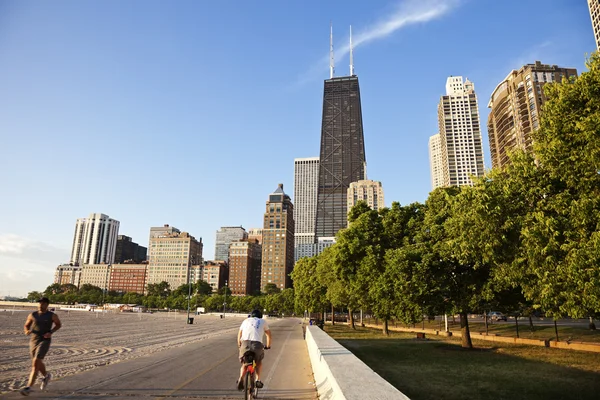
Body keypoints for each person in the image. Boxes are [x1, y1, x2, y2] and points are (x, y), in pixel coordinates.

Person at [20, 297, 61, 396]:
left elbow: (58, 325)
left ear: (47, 305)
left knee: (35, 362)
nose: (40, 305)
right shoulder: (32, 315)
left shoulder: (52, 315)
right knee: (37, 361)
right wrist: (26, 331)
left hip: (45, 340)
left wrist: (50, 332)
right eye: (39, 303)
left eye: (42, 303)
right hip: (34, 340)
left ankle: (28, 387)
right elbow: (26, 325)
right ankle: (46, 376)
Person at [236, 309, 271, 391]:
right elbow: (269, 335)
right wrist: (268, 346)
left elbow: (239, 334)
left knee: (245, 363)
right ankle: (258, 380)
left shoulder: (245, 321)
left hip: (245, 344)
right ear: (260, 316)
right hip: (257, 345)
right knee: (258, 362)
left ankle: (241, 378)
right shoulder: (262, 321)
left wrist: (239, 345)